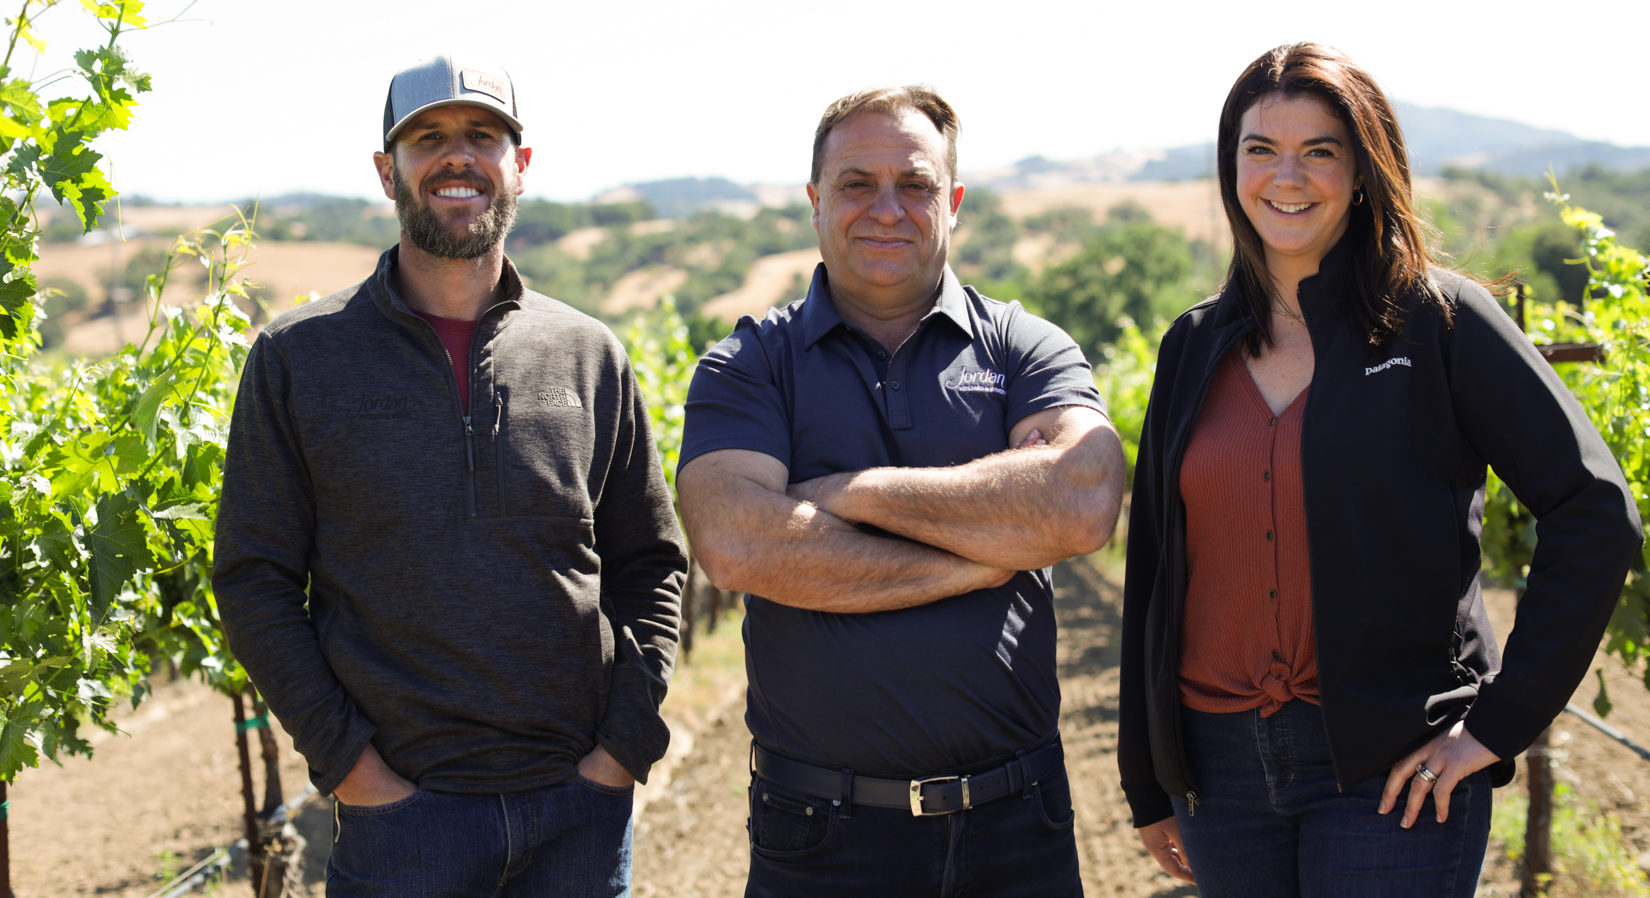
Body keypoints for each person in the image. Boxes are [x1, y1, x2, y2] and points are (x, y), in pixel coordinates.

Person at [1119, 42, 1643, 897]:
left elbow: (1594, 507)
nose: (1287, 176)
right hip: (1217, 774)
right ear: (1231, 167)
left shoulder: (1440, 324)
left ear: (1363, 169)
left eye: (1320, 150)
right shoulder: (1192, 345)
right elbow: (1156, 569)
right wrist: (1148, 778)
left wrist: (1496, 725)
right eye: (1261, 149)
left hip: (1393, 769)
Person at [213, 55, 686, 896]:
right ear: (386, 169)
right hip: (401, 827)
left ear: (521, 166)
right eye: (428, 138)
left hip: (578, 813)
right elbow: (255, 581)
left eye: (483, 137)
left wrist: (622, 751)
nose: (457, 158)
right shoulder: (297, 360)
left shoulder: (589, 355)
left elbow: (650, 563)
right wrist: (353, 770)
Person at [676, 86, 1126, 897]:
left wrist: (848, 492)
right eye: (856, 183)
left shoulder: (1024, 346)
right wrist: (981, 555)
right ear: (815, 203)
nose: (887, 208)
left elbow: (1082, 501)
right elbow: (735, 541)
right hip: (819, 836)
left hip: (1017, 824)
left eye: (915, 185)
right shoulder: (749, 364)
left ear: (952, 203)